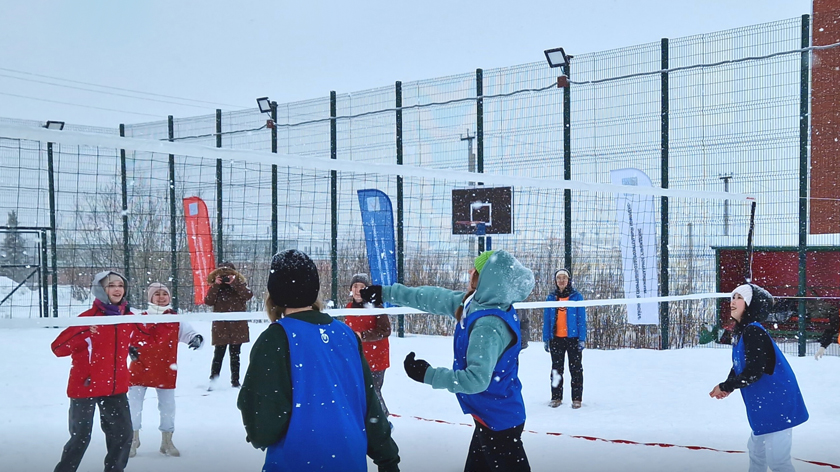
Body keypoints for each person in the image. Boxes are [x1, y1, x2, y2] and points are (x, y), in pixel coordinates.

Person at [360, 249, 534, 472]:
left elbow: (475, 381)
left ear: (486, 279)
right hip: (489, 416)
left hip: (499, 423)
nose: (470, 271)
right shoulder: (474, 303)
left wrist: (429, 374)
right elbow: (432, 297)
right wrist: (386, 293)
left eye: (476, 269)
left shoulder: (488, 326)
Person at [237, 250, 400, 472]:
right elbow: (371, 408)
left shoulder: (276, 338)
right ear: (314, 290)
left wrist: (260, 431)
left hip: (296, 462)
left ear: (273, 293)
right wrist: (388, 460)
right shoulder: (346, 334)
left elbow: (262, 423)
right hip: (349, 461)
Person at [51, 271, 154, 472]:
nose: (117, 289)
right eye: (111, 285)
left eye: (121, 285)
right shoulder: (87, 319)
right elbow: (58, 348)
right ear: (101, 289)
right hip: (85, 386)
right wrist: (84, 331)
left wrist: (159, 319)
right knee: (80, 437)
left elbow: (147, 338)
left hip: (115, 387)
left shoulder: (128, 318)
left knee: (123, 435)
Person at [709, 283, 809, 472]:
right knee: (756, 451)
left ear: (750, 304)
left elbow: (754, 371)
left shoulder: (753, 330)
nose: (733, 301)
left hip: (776, 404)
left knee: (778, 461)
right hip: (765, 405)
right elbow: (740, 365)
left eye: (739, 297)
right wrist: (727, 386)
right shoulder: (743, 331)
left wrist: (727, 385)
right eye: (732, 297)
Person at [127, 283, 204, 458]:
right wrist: (128, 348)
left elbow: (189, 334)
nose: (161, 297)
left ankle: (166, 441)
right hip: (140, 368)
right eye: (157, 294)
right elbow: (125, 337)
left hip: (165, 368)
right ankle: (132, 439)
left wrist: (196, 339)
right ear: (150, 298)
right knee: (134, 406)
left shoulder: (175, 319)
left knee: (168, 407)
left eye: (164, 294)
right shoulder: (139, 319)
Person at [345, 273, 392, 421]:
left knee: (373, 391)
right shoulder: (348, 308)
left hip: (376, 359)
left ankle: (382, 420)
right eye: (355, 286)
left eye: (361, 287)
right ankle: (365, 420)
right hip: (356, 359)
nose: (358, 290)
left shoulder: (375, 306)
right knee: (358, 391)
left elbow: (385, 330)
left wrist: (363, 336)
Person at [542, 268, 586, 409]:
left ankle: (577, 399)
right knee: (556, 369)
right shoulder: (551, 298)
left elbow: (581, 319)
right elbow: (547, 319)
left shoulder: (576, 297)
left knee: (576, 369)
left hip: (573, 339)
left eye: (564, 278)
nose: (561, 281)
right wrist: (546, 338)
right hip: (556, 339)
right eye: (559, 278)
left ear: (568, 280)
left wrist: (582, 338)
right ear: (556, 281)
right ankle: (556, 397)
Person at [204, 261, 253, 389]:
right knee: (218, 354)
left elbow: (248, 295)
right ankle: (213, 381)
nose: (225, 277)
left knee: (235, 355)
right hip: (221, 327)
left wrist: (234, 283)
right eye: (222, 274)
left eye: (228, 274)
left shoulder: (240, 285)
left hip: (238, 326)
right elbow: (208, 301)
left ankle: (235, 381)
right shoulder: (216, 288)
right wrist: (216, 285)